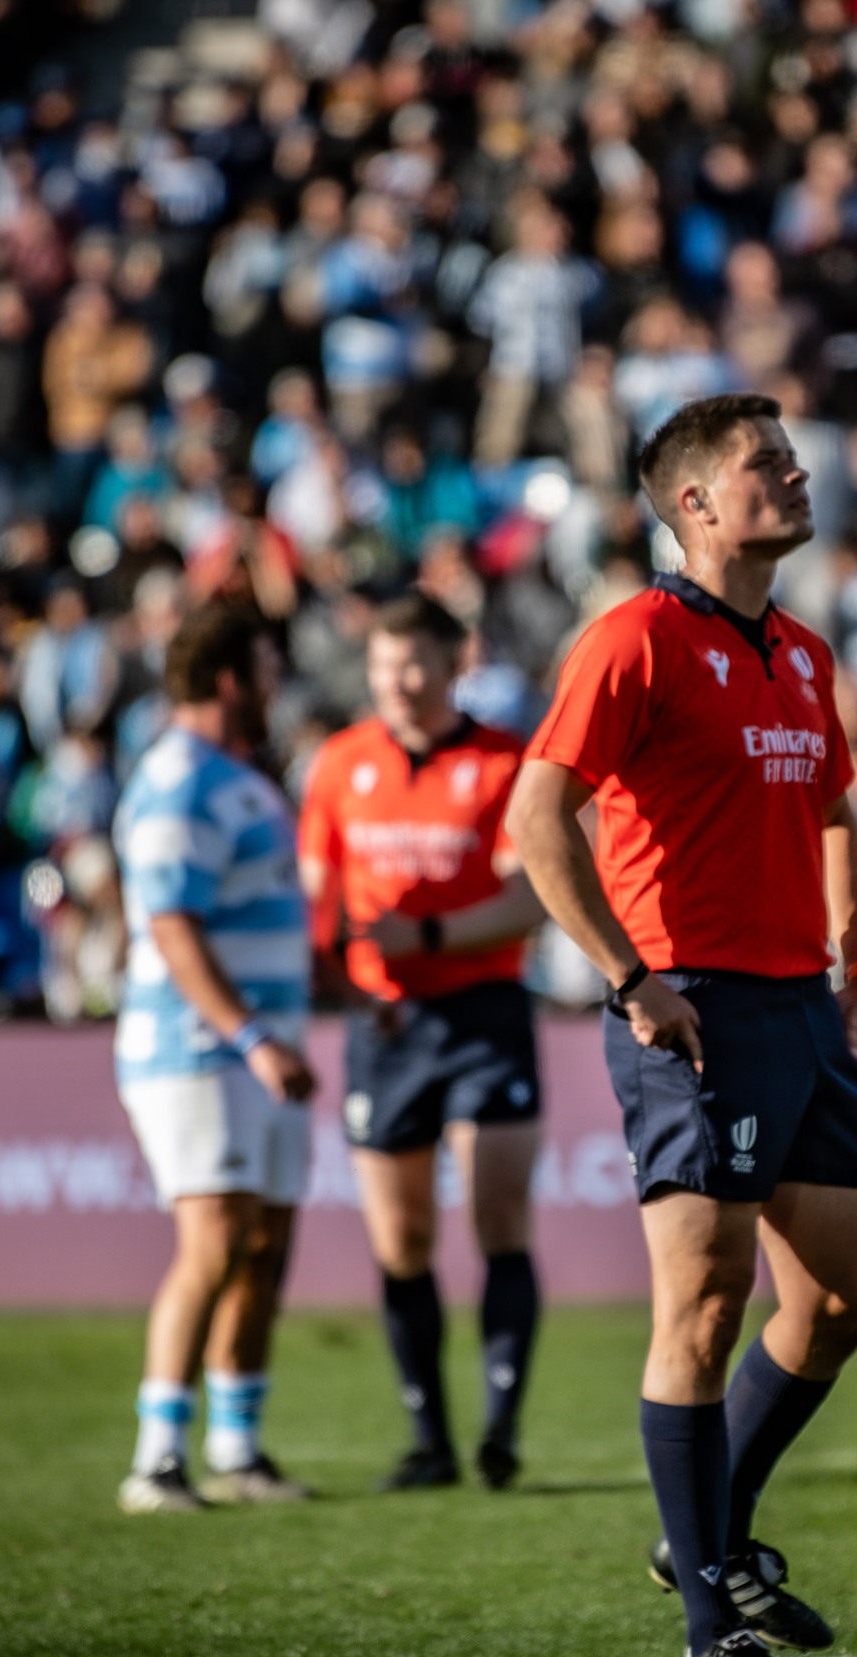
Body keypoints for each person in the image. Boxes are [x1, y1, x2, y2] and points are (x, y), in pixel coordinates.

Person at [507, 393, 857, 1657]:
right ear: (694, 504)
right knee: (708, 1300)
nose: (793, 473)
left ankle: (705, 1540)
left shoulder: (802, 652)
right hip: (692, 1007)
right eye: (763, 464)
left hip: (803, 1007)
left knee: (839, 1301)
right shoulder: (630, 641)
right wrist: (626, 975)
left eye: (792, 455)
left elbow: (837, 811)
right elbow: (538, 820)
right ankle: (711, 1638)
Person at [297, 592, 548, 1492]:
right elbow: (319, 901)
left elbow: (533, 896)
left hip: (486, 1011)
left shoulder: (503, 761)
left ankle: (501, 1431)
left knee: (500, 1221)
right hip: (386, 1025)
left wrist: (432, 939)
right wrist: (341, 974)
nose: (397, 685)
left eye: (413, 667)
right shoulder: (339, 764)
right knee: (402, 1242)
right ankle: (429, 1441)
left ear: (455, 664)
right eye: (381, 669)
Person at [112, 601, 317, 1513]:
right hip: (200, 1050)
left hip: (262, 1047)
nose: (277, 685)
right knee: (216, 1241)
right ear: (233, 677)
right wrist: (251, 1037)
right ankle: (157, 1458)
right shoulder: (174, 779)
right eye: (268, 666)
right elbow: (171, 928)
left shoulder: (239, 776)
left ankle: (238, 1449)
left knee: (266, 1243)